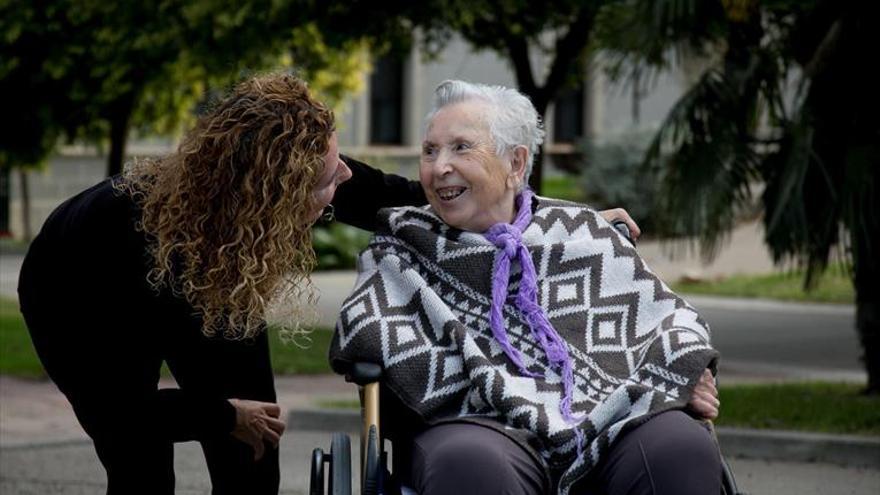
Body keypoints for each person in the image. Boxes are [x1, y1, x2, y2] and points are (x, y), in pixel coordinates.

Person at [17, 72, 639, 495]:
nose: (341, 175)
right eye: (325, 178)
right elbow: (119, 408)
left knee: (255, 436)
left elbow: (409, 200)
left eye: (338, 161)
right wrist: (214, 414)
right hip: (83, 298)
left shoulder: (310, 168)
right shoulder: (113, 242)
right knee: (141, 467)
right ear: (272, 195)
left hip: (204, 279)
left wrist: (559, 217)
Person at [330, 80, 722, 495]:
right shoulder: (402, 246)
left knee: (680, 447)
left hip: (611, 419)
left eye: (461, 147)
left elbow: (669, 320)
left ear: (516, 164)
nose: (438, 166)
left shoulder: (581, 233)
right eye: (430, 151)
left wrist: (679, 368)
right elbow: (368, 328)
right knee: (470, 464)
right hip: (475, 422)